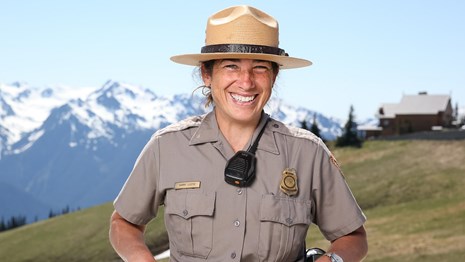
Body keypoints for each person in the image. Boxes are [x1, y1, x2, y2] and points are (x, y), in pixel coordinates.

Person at [109, 5, 367, 262]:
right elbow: (123, 223)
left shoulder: (307, 152)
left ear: (274, 77)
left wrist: (331, 261)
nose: (246, 82)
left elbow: (353, 238)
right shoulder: (166, 147)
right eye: (231, 66)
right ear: (206, 74)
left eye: (260, 68)